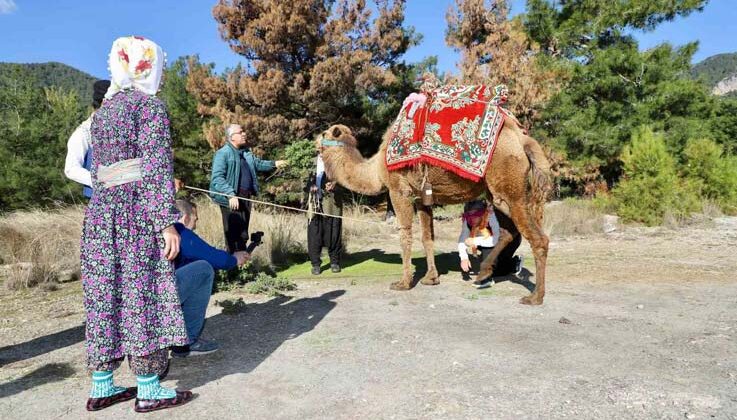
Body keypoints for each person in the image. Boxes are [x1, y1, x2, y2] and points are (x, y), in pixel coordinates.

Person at [81, 36, 192, 413]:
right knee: (140, 292)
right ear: (148, 65)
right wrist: (166, 222)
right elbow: (157, 168)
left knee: (104, 294)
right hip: (136, 210)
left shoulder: (104, 112)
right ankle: (148, 387)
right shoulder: (149, 107)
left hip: (100, 212)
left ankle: (103, 384)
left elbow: (96, 172)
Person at [170, 199, 250, 358]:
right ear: (186, 218)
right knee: (204, 269)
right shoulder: (179, 231)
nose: (196, 225)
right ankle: (187, 342)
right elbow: (215, 258)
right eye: (195, 219)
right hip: (161, 298)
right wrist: (234, 259)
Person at [210, 124, 288, 252]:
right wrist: (230, 194)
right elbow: (217, 178)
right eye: (240, 132)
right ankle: (233, 268)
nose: (244, 134)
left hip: (245, 198)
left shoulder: (246, 153)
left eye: (244, 131)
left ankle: (243, 266)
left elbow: (258, 164)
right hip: (231, 200)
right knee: (233, 237)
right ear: (231, 137)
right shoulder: (222, 153)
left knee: (243, 235)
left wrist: (275, 164)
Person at [458, 200, 523, 289]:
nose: (473, 219)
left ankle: (486, 279)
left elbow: (494, 240)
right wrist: (464, 258)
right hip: (488, 242)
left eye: (476, 215)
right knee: (496, 269)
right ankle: (513, 264)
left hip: (509, 241)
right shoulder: (468, 220)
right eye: (470, 216)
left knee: (490, 260)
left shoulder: (492, 217)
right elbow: (462, 239)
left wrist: (475, 241)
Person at [64, 79, 111, 198]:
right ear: (105, 103)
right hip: (97, 202)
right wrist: (101, 180)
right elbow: (71, 169)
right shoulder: (83, 132)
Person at [303, 153, 344, 275]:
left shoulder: (337, 162)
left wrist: (334, 186)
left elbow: (345, 183)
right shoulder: (311, 162)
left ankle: (334, 262)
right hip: (314, 205)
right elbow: (305, 184)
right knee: (314, 236)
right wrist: (311, 186)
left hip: (332, 205)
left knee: (333, 234)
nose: (322, 150)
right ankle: (315, 264)